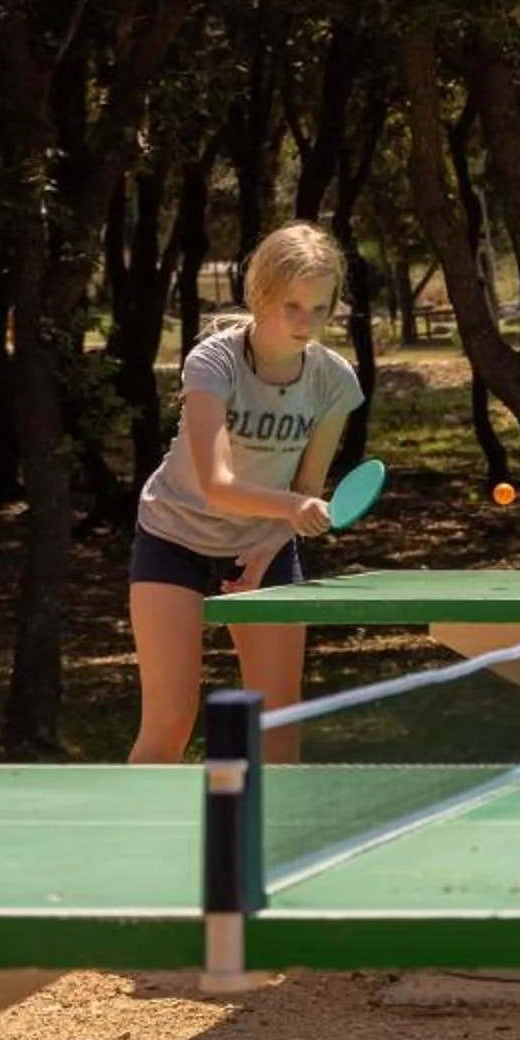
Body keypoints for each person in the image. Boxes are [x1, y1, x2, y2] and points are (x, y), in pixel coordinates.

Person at [127, 222, 362, 765]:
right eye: (292, 306)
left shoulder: (334, 381)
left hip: (264, 547)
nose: (307, 323)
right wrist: (293, 509)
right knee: (170, 721)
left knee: (278, 726)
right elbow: (216, 483)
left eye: (320, 309)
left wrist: (271, 541)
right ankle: (131, 842)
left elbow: (307, 487)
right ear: (261, 295)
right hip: (174, 537)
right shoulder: (213, 363)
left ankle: (269, 848)